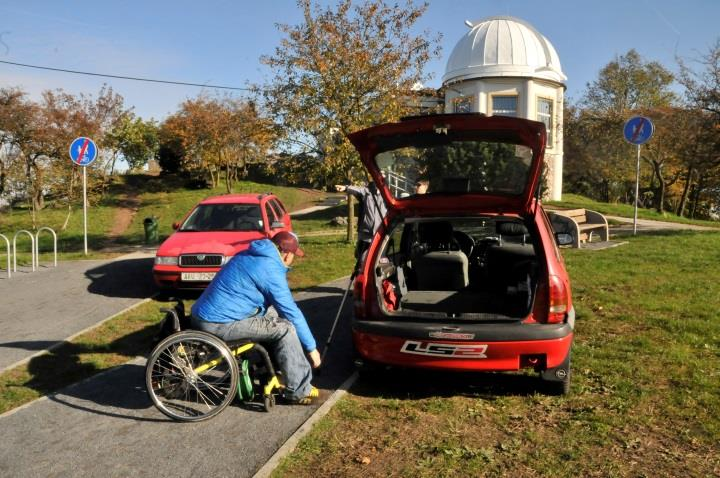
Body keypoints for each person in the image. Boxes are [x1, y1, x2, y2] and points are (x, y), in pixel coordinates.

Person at [190, 231, 321, 404]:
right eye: (293, 256)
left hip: (208, 314)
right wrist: (312, 349)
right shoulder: (269, 268)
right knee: (285, 329)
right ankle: (299, 390)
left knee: (274, 315)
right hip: (218, 323)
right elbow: (291, 311)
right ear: (287, 254)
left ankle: (276, 369)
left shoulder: (251, 254)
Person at [334, 181, 388, 262]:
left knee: (379, 259)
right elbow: (357, 190)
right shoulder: (366, 193)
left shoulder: (387, 196)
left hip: (381, 234)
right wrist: (346, 188)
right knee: (362, 259)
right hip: (365, 234)